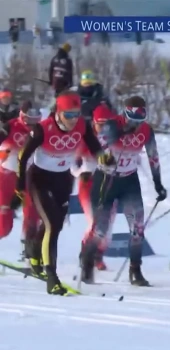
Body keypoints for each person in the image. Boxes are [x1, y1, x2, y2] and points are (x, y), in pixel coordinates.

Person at [12, 90, 109, 295]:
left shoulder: (81, 124)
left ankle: (35, 252)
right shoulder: (42, 129)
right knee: (52, 225)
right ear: (58, 112)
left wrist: (102, 157)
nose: (74, 120)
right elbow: (23, 156)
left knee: (55, 224)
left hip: (63, 180)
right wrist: (20, 185)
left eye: (77, 114)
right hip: (40, 179)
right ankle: (52, 277)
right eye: (69, 115)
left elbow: (92, 143)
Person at [79, 97, 166, 286]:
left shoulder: (146, 131)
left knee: (137, 228)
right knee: (100, 230)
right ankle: (87, 264)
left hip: (129, 180)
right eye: (131, 119)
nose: (134, 124)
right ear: (124, 114)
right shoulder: (111, 125)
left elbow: (153, 156)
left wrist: (158, 182)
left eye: (139, 120)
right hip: (106, 179)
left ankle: (135, 270)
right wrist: (117, 136)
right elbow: (98, 146)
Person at [71, 104, 115, 271]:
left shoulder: (114, 140)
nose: (103, 127)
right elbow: (71, 164)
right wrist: (81, 173)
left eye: (106, 123)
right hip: (88, 185)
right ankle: (85, 254)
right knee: (94, 223)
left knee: (108, 228)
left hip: (109, 185)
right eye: (99, 123)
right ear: (93, 123)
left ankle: (98, 255)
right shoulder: (86, 140)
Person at [0, 102, 41, 244]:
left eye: (36, 120)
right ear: (23, 117)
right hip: (7, 176)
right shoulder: (11, 126)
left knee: (33, 215)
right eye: (30, 120)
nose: (33, 123)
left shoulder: (39, 131)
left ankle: (29, 248)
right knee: (4, 226)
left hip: (29, 176)